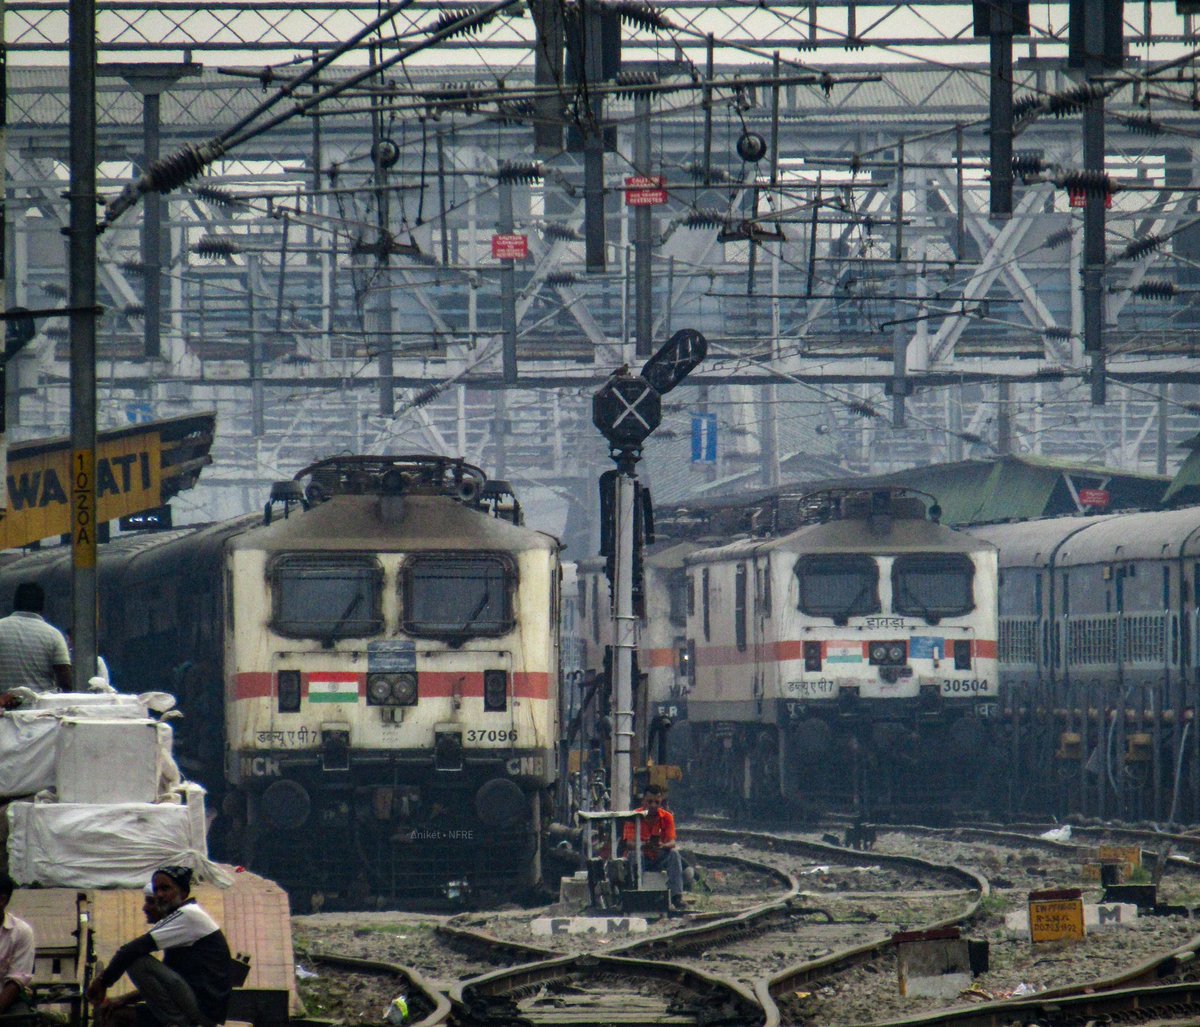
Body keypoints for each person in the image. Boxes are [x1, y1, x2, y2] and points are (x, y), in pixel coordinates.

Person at [87, 866, 232, 1027]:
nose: (160, 895)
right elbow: (163, 984)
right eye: (156, 890)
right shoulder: (182, 917)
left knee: (137, 961)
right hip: (199, 1005)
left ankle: (177, 1022)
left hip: (204, 1011)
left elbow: (131, 950)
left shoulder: (188, 915)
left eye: (166, 889)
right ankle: (175, 1019)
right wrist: (122, 999)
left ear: (183, 893)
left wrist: (103, 982)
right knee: (118, 1013)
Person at [0, 583, 71, 701]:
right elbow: (66, 682)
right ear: (42, 606)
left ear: (15, 603)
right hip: (40, 713)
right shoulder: (53, 635)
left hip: (3, 711)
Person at [621, 784, 686, 910]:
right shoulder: (633, 816)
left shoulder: (667, 817)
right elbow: (629, 844)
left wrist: (663, 846)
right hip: (641, 856)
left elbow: (672, 842)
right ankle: (633, 890)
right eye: (650, 802)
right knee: (633, 855)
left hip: (658, 856)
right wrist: (645, 845)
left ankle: (676, 897)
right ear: (643, 801)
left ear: (661, 802)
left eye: (657, 802)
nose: (653, 806)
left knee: (674, 854)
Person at [0, 874, 35, 1019]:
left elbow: (15, 982)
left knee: (19, 1019)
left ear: (2, 900)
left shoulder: (21, 932)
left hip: (5, 1000)